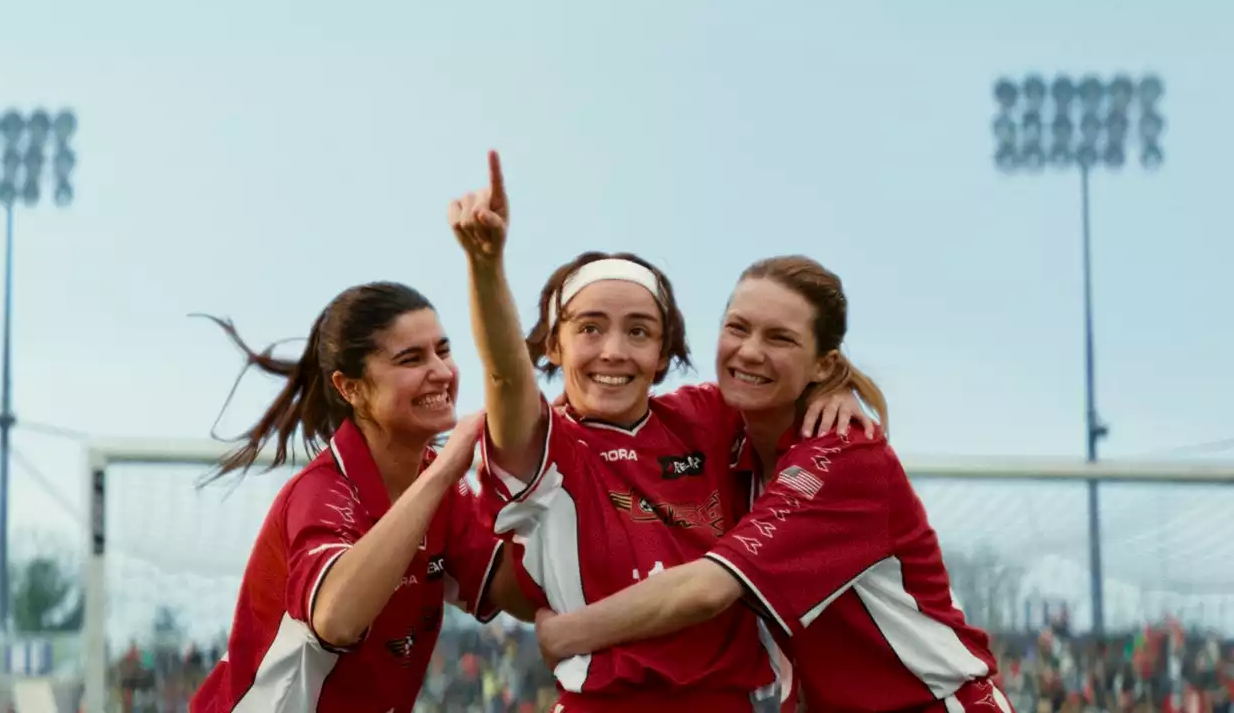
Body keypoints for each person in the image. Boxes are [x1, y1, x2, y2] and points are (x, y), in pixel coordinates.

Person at [447, 152, 870, 712]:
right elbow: (503, 371)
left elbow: (784, 375)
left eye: (639, 331)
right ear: (553, 344)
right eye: (589, 329)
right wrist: (485, 267)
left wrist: (830, 388)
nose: (613, 351)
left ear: (665, 351)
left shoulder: (707, 418)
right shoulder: (544, 446)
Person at [533, 256, 1012, 713]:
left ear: (822, 364)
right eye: (738, 328)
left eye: (780, 339)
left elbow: (708, 589)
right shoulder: (720, 425)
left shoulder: (845, 456)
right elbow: (595, 416)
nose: (750, 351)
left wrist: (568, 634)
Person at [190, 282, 530, 713]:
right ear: (350, 388)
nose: (442, 372)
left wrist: (540, 486)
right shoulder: (322, 491)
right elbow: (336, 619)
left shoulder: (442, 490)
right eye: (411, 359)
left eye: (443, 351)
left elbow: (519, 594)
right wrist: (446, 470)